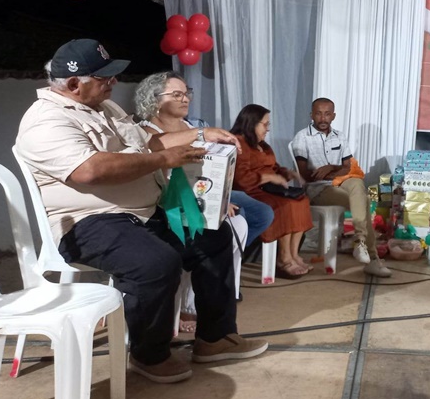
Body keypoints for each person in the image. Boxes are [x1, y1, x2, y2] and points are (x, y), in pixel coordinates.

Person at [15, 39, 268, 385]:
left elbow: (148, 142)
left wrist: (201, 133)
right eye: (104, 77)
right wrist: (164, 159)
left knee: (213, 233)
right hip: (88, 223)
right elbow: (90, 170)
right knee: (155, 262)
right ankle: (149, 354)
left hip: (143, 214)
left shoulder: (105, 107)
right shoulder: (45, 121)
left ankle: (215, 338)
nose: (114, 82)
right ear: (74, 84)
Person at [134, 71, 276, 330]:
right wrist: (201, 133)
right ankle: (188, 308)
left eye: (186, 93)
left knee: (240, 223)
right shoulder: (145, 130)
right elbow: (156, 145)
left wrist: (220, 200)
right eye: (176, 94)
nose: (185, 98)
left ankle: (215, 299)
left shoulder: (191, 126)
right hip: (166, 207)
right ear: (154, 101)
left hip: (200, 197)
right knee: (209, 232)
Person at [292, 98, 392, 278]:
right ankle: (372, 257)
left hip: (338, 181)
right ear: (311, 115)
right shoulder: (302, 137)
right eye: (318, 113)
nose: (323, 118)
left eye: (327, 114)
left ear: (334, 116)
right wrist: (332, 173)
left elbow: (348, 167)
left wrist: (331, 168)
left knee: (357, 183)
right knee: (363, 200)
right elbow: (305, 174)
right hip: (317, 189)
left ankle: (360, 241)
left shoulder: (339, 136)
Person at [230, 104, 314, 279]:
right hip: (251, 191)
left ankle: (293, 255)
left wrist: (287, 173)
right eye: (265, 124)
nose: (268, 129)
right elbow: (241, 180)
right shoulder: (239, 143)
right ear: (251, 123)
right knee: (284, 205)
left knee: (301, 200)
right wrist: (268, 177)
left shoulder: (263, 145)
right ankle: (283, 259)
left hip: (267, 189)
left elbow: (274, 168)